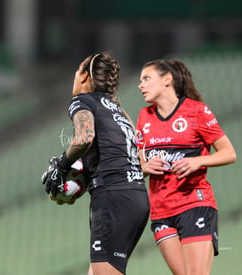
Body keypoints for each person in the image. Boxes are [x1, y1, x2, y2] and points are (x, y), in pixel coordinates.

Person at [42, 52, 150, 275]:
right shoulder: (119, 111)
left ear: (83, 76)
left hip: (112, 200)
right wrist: (86, 175)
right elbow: (140, 162)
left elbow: (84, 137)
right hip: (136, 198)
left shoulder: (82, 101)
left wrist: (62, 166)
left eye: (76, 73)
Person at [135, 59, 237, 275]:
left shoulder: (196, 111)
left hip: (194, 203)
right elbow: (138, 163)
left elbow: (229, 153)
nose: (140, 85)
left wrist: (197, 160)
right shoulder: (145, 116)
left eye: (146, 78)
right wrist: (145, 166)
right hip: (161, 210)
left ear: (167, 79)